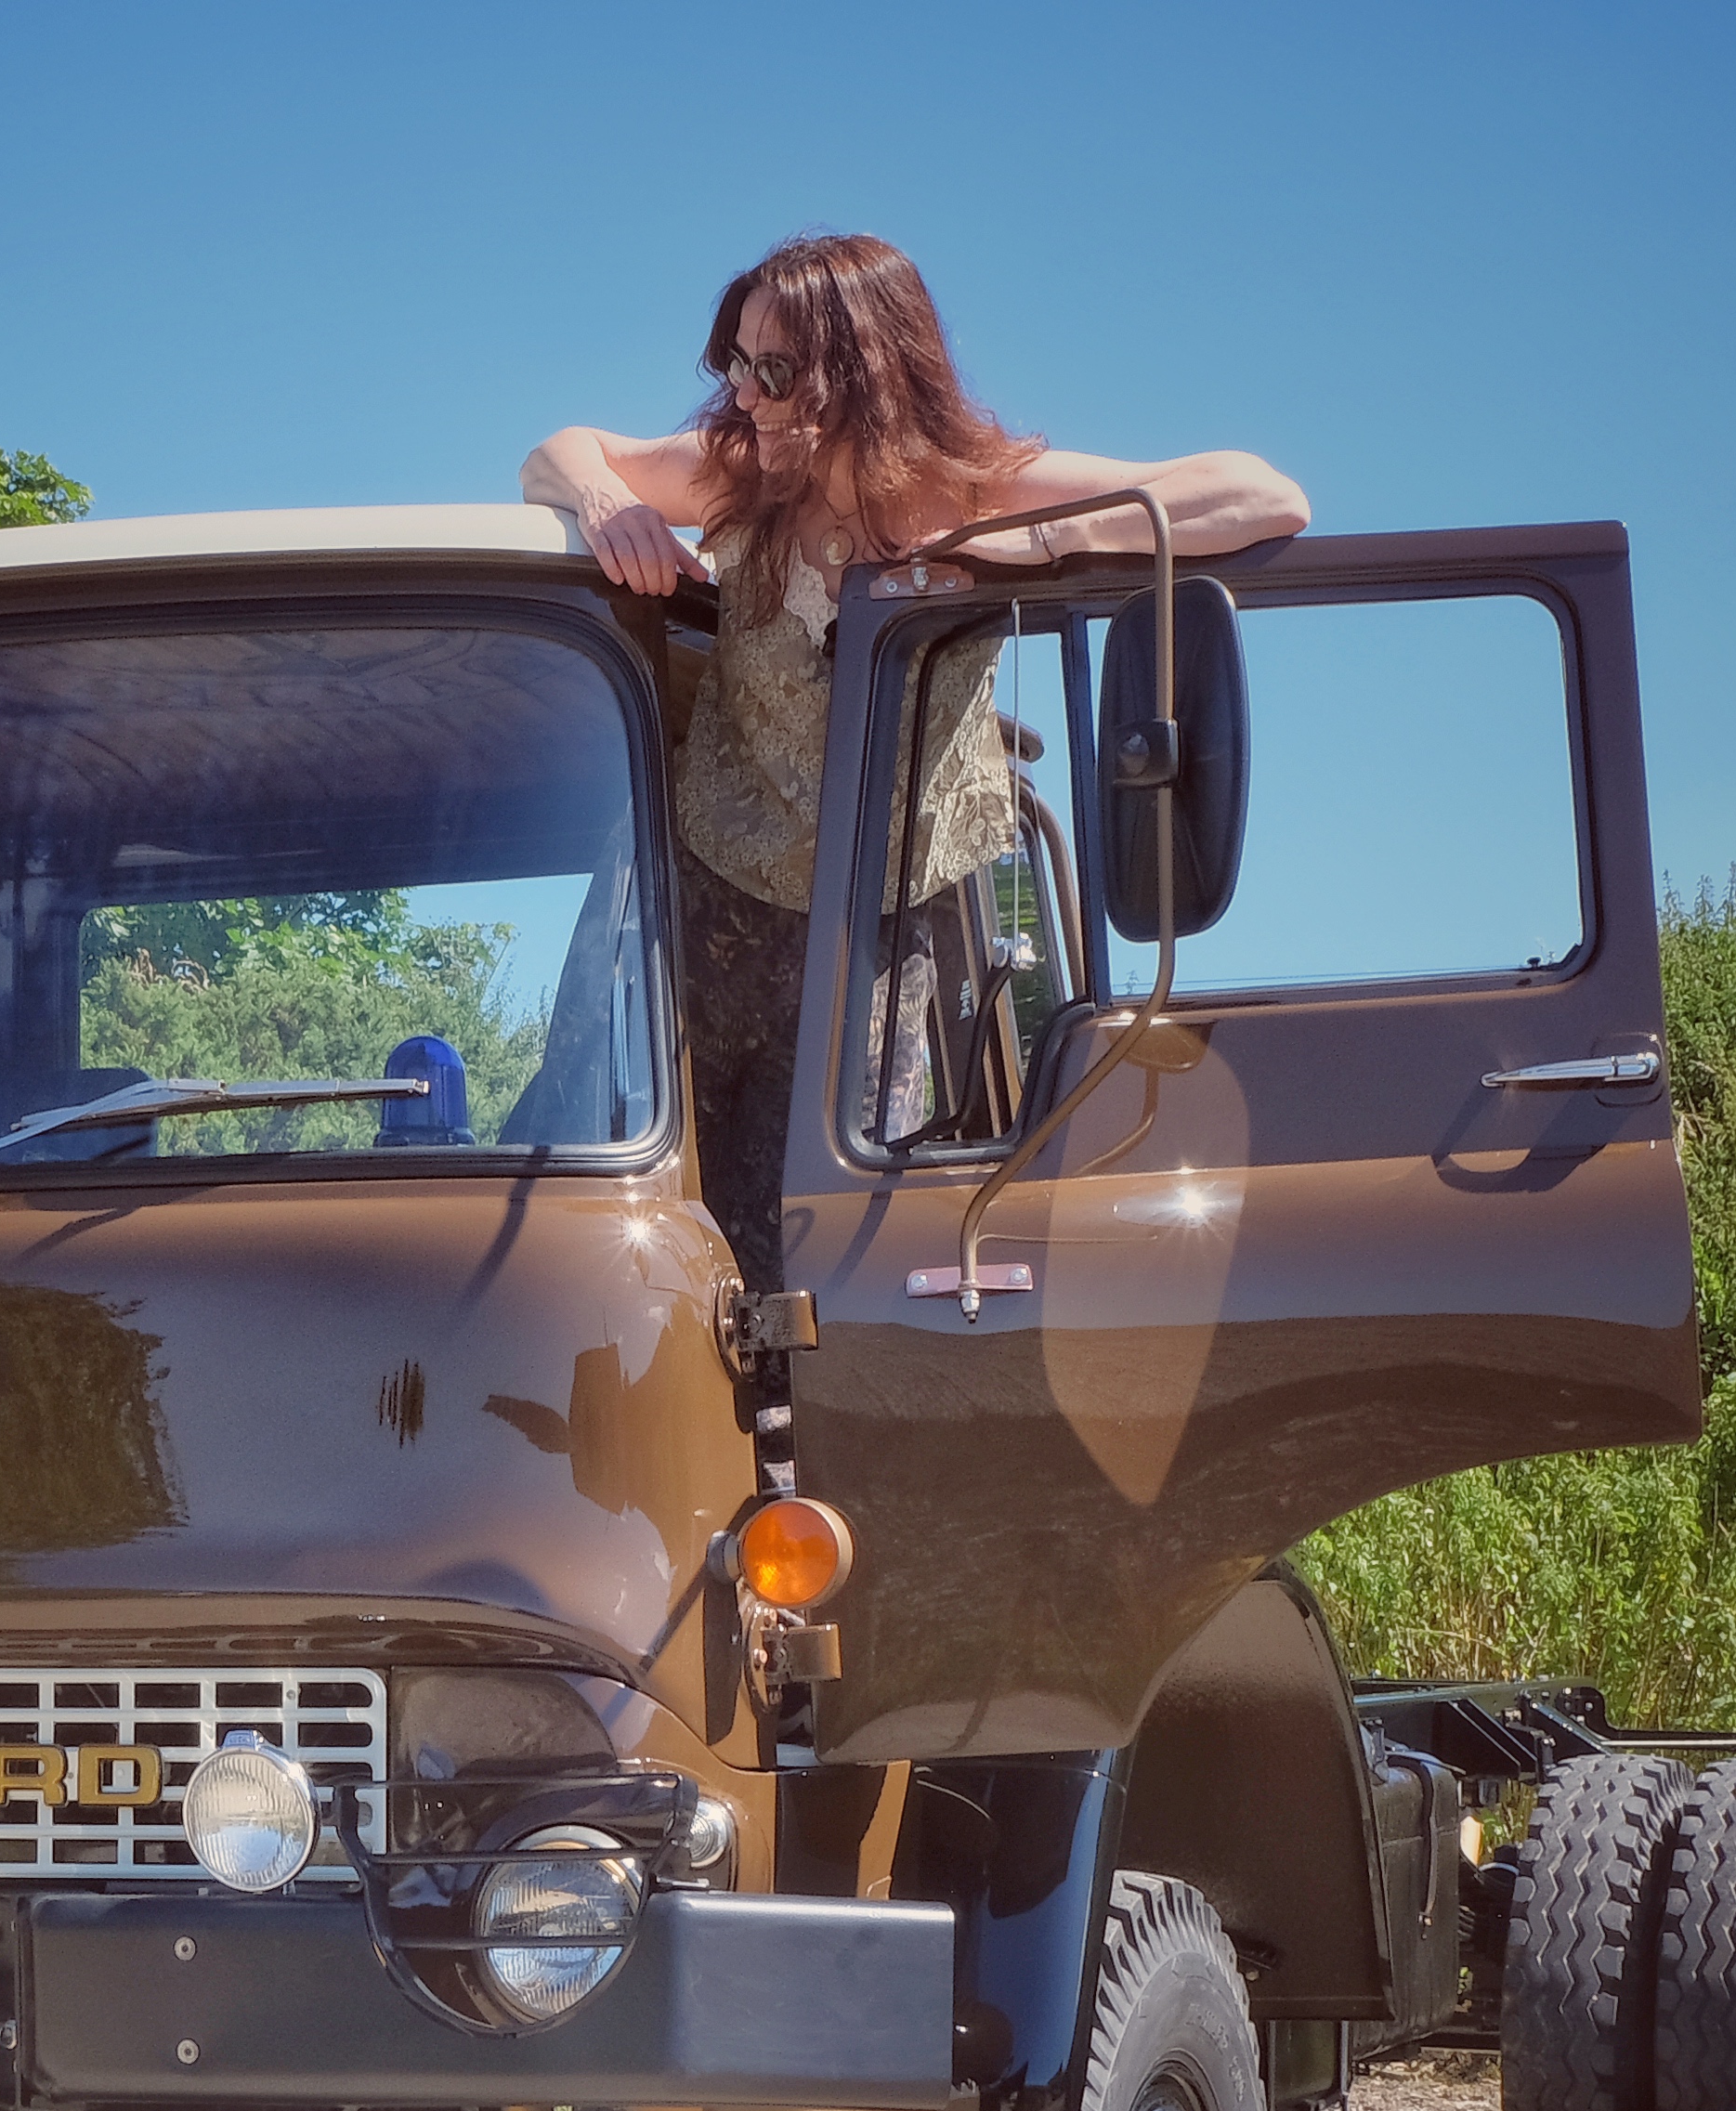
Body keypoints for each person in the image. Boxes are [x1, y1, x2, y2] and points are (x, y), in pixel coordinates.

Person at [518, 231, 1305, 1309]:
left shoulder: (979, 492)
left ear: (864, 371)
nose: (744, 394)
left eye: (775, 370)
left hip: (873, 938)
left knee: (820, 1248)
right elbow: (556, 452)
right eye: (732, 362)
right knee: (598, 1187)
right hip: (701, 902)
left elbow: (1266, 495)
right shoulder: (742, 478)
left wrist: (1022, 546)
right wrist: (612, 508)